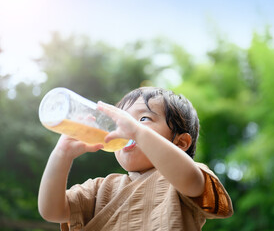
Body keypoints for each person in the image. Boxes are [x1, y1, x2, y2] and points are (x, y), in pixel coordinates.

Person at [38, 86, 233, 231]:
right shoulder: (99, 189)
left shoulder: (181, 178)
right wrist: (61, 154)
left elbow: (190, 179)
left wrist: (138, 132)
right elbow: (51, 211)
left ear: (180, 143)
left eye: (143, 119)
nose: (127, 128)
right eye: (121, 120)